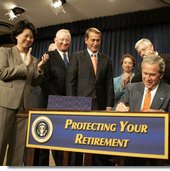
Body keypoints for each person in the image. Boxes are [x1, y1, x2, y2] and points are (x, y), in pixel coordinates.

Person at [115, 54, 170, 165]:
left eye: (152, 75)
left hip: (156, 149)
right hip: (130, 147)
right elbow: (114, 109)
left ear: (161, 75)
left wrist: (162, 115)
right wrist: (118, 107)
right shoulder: (131, 88)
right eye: (145, 73)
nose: (148, 78)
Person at [0, 19, 49, 166]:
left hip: (25, 106)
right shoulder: (4, 51)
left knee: (19, 148)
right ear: (16, 35)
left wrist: (39, 68)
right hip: (6, 103)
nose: (29, 39)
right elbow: (2, 73)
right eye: (26, 35)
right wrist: (24, 66)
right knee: (1, 141)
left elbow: (35, 82)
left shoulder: (34, 59)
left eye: (31, 37)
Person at [66, 27, 114, 165]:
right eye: (92, 40)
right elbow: (71, 82)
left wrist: (109, 106)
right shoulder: (76, 56)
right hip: (80, 105)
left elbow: (109, 85)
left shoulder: (107, 59)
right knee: (78, 140)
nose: (95, 43)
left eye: (98, 40)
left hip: (100, 105)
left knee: (97, 140)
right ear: (86, 40)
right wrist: (71, 105)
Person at [34, 29, 72, 166]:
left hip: (66, 108)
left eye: (67, 40)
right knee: (43, 144)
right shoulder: (48, 56)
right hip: (48, 105)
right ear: (55, 41)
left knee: (60, 144)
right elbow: (44, 80)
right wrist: (58, 100)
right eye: (61, 39)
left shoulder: (73, 58)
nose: (64, 42)